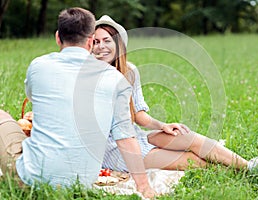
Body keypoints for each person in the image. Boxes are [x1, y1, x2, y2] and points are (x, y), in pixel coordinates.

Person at [92, 15, 258, 176]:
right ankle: (239, 174)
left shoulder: (129, 72)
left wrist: (163, 125)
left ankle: (251, 167)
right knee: (191, 160)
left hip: (136, 136)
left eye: (107, 40)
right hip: (114, 150)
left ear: (118, 44)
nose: (101, 47)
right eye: (96, 42)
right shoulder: (88, 76)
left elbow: (138, 114)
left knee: (189, 138)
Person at [0, 8, 156, 198]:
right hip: (81, 183)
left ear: (58, 37)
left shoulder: (38, 66)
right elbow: (126, 137)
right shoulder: (116, 79)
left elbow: (33, 97)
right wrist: (144, 187)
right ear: (91, 41)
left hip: (32, 180)